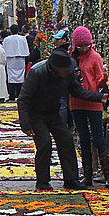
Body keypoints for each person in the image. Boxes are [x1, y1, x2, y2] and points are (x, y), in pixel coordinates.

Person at [17, 50, 97, 191]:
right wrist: (26, 124)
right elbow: (24, 99)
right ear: (56, 69)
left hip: (53, 112)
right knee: (45, 143)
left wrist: (98, 97)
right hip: (36, 114)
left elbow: (76, 91)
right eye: (65, 71)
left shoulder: (68, 71)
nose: (67, 72)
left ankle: (71, 179)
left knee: (66, 139)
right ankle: (42, 182)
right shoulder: (37, 72)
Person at [68, 27, 108, 186]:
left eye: (86, 45)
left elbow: (99, 80)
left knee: (99, 139)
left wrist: (103, 80)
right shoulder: (72, 58)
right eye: (80, 46)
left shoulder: (95, 57)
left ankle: (107, 174)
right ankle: (87, 175)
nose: (84, 49)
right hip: (76, 103)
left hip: (93, 103)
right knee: (83, 139)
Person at [1, 26, 30, 99]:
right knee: (20, 77)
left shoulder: (7, 39)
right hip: (20, 59)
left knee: (11, 77)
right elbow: (26, 50)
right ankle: (19, 94)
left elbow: (4, 51)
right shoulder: (23, 38)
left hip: (11, 60)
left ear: (10, 31)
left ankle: (12, 95)